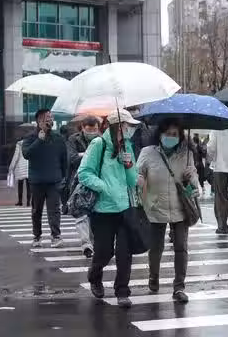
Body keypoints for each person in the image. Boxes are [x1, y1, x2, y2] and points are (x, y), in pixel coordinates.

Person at [78, 108, 140, 309]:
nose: (129, 130)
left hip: (124, 208)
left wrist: (129, 165)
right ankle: (94, 276)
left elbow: (132, 181)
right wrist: (104, 187)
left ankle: (122, 291)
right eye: (126, 126)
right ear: (116, 126)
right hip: (102, 210)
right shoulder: (99, 144)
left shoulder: (127, 146)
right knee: (104, 252)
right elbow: (84, 173)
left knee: (124, 253)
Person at [137, 118, 199, 304]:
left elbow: (193, 185)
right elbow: (138, 174)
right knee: (156, 247)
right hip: (155, 207)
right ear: (160, 134)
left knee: (181, 247)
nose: (171, 137)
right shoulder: (148, 152)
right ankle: (153, 277)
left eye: (175, 134)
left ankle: (179, 287)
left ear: (180, 136)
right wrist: (138, 180)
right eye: (168, 134)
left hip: (181, 207)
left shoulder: (187, 154)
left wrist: (192, 177)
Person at [22, 109, 68, 249]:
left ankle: (56, 236)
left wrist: (64, 177)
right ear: (39, 121)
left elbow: (64, 159)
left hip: (54, 180)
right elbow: (26, 154)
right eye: (46, 118)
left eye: (50, 117)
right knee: (37, 210)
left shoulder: (58, 138)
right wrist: (39, 140)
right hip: (37, 181)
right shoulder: (30, 137)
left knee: (54, 210)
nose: (49, 120)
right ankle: (37, 236)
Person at [67, 116, 101, 258]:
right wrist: (90, 154)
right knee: (81, 213)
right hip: (79, 182)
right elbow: (72, 158)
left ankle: (94, 242)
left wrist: (84, 155)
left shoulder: (103, 140)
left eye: (94, 129)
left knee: (96, 214)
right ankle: (86, 244)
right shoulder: (73, 140)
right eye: (89, 130)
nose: (92, 132)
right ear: (82, 128)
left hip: (97, 180)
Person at [9, 138, 30, 207]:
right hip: (29, 166)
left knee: (20, 185)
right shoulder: (31, 143)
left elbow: (16, 156)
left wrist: (11, 167)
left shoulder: (19, 144)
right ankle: (28, 202)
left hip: (21, 167)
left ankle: (20, 201)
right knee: (29, 186)